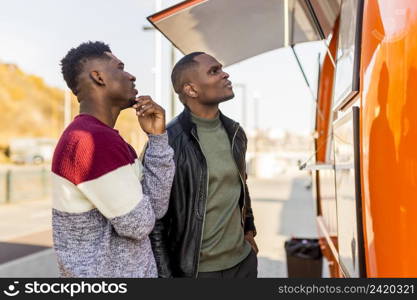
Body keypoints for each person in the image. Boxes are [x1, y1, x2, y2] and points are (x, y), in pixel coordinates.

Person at [51, 41, 175, 277]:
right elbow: (139, 225)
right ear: (98, 77)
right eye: (120, 67)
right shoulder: (90, 141)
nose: (131, 76)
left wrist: (157, 137)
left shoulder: (108, 139)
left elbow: (155, 209)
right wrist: (144, 207)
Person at [150, 52, 258, 278]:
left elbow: (241, 186)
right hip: (197, 272)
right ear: (191, 90)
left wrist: (249, 231)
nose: (225, 74)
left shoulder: (235, 132)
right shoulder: (168, 141)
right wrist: (166, 277)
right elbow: (155, 220)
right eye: (214, 71)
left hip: (243, 264)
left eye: (221, 68)